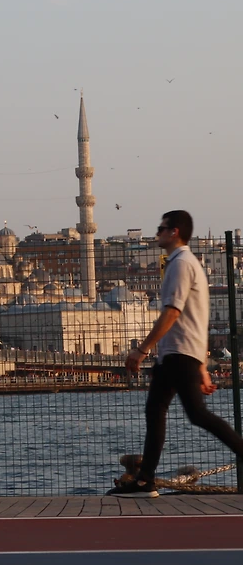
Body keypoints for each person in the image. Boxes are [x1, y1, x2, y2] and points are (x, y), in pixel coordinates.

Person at [108, 211, 243, 498]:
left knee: (195, 414)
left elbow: (173, 312)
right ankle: (145, 480)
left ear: (174, 232)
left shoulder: (180, 264)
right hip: (179, 353)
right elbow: (198, 319)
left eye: (162, 228)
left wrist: (142, 349)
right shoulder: (187, 263)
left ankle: (145, 481)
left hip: (179, 354)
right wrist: (202, 366)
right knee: (159, 411)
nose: (157, 232)